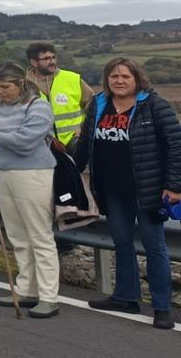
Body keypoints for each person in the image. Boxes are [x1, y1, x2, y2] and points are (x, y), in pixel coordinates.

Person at [75, 58, 181, 330]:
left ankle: (162, 307)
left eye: (125, 76)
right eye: (113, 76)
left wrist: (174, 186)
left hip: (148, 191)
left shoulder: (154, 105)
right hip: (112, 189)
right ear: (106, 79)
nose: (119, 81)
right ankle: (126, 297)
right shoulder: (98, 105)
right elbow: (86, 144)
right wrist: (70, 172)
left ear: (137, 79)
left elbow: (175, 146)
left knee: (154, 247)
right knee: (121, 243)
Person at [0, 61, 59, 319]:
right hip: (4, 172)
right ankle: (26, 289)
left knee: (39, 236)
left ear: (20, 83)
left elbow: (26, 141)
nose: (1, 92)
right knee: (18, 237)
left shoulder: (39, 106)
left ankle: (49, 296)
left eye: (5, 87)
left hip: (33, 174)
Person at [25, 42, 95, 154]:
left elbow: (93, 106)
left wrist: (84, 130)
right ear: (34, 62)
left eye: (53, 57)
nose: (52, 61)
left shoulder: (72, 79)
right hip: (41, 146)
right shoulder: (23, 86)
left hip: (75, 142)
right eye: (46, 59)